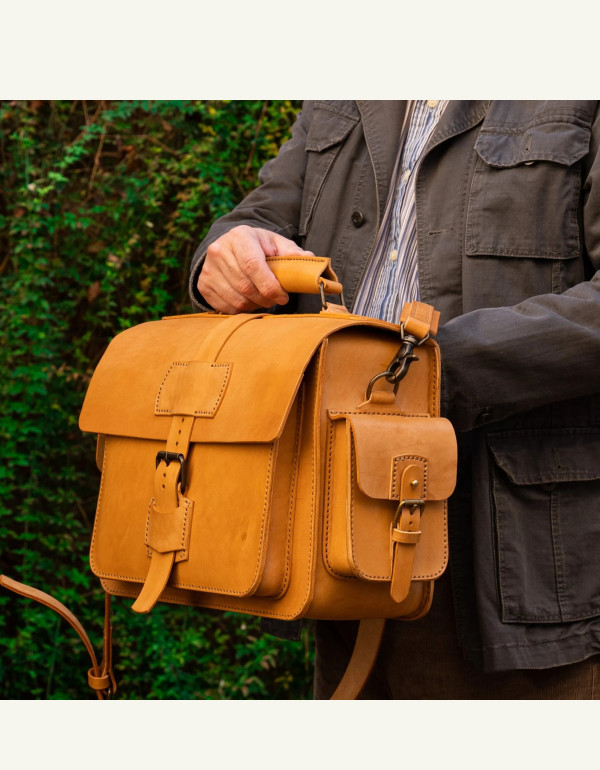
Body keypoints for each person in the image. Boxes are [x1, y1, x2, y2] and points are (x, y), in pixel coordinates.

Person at [189, 100, 600, 699]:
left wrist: (425, 372)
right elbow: (260, 218)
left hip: (515, 551)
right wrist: (225, 255)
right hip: (337, 537)